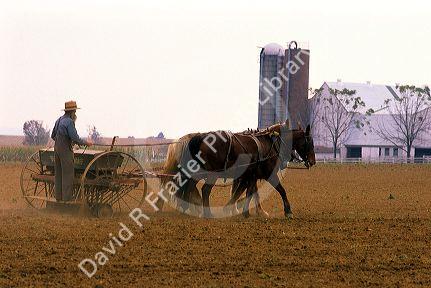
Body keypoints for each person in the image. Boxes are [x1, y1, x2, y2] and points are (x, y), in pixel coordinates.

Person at [51, 101, 92, 202]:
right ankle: (67, 199)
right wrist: (86, 142)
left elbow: (53, 135)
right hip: (65, 150)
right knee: (68, 175)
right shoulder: (69, 122)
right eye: (75, 112)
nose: (75, 114)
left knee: (59, 174)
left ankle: (58, 198)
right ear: (73, 112)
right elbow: (75, 137)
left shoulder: (58, 120)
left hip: (56, 150)